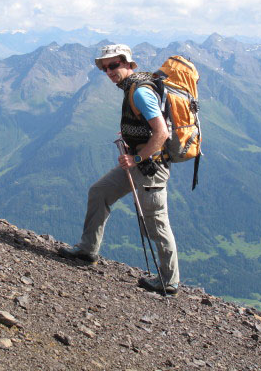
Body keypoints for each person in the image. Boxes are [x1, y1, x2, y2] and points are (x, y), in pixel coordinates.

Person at [58, 44, 180, 295]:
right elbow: (146, 126)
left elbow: (162, 132)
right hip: (137, 161)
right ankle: (87, 250)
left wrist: (136, 158)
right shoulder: (132, 87)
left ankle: (169, 282)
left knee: (156, 222)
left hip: (150, 168)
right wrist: (131, 137)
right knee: (99, 192)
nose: (109, 71)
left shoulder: (140, 92)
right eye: (105, 67)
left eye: (114, 65)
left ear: (128, 63)